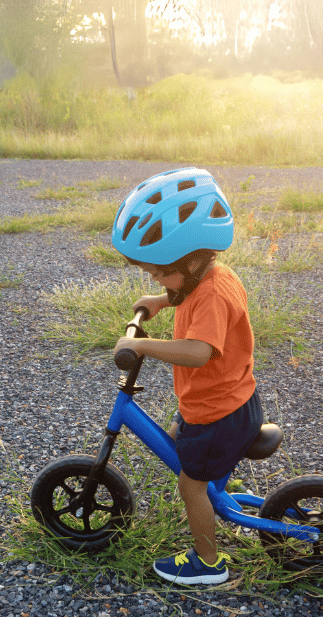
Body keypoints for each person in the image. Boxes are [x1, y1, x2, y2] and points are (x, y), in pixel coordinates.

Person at [112, 167, 263, 585]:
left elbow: (198, 352)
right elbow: (187, 292)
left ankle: (208, 564)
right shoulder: (212, 276)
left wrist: (142, 346)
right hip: (229, 401)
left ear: (192, 259)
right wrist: (162, 299)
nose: (156, 278)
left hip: (218, 415)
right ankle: (216, 488)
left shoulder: (211, 294)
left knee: (190, 487)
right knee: (180, 437)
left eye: (160, 272)